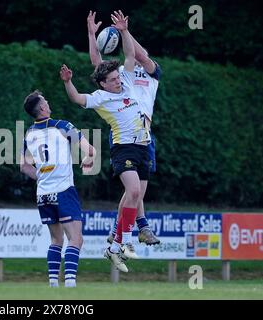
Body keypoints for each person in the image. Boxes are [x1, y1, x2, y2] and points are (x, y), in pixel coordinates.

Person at [60, 11, 148, 272]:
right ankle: (124, 242)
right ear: (103, 84)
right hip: (123, 148)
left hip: (143, 146)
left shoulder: (127, 82)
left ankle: (115, 246)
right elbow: (77, 98)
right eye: (112, 79)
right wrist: (68, 82)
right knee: (132, 192)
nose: (118, 80)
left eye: (118, 77)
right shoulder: (100, 96)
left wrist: (123, 31)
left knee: (134, 196)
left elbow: (131, 55)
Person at [87, 10, 162, 246]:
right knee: (134, 188)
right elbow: (97, 64)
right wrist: (92, 35)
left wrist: (124, 31)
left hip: (144, 134)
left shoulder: (152, 72)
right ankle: (141, 227)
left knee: (137, 189)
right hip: (124, 132)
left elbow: (139, 53)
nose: (138, 55)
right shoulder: (122, 73)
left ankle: (117, 230)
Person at [20, 90, 96, 287]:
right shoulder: (62, 126)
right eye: (46, 100)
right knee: (76, 239)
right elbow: (90, 150)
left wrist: (43, 176)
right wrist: (89, 158)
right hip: (63, 190)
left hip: (43, 193)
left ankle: (53, 284)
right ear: (43, 108)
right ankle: (70, 284)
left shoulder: (28, 134)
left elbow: (24, 166)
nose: (48, 102)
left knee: (56, 240)